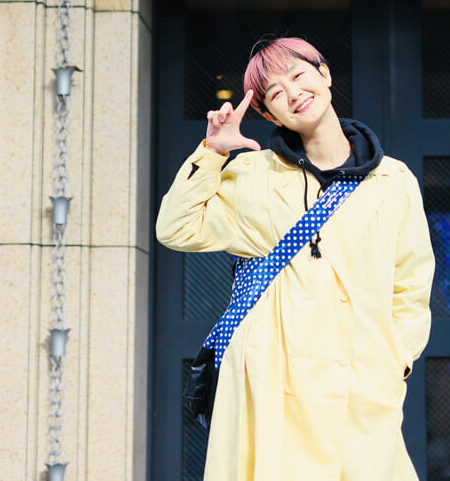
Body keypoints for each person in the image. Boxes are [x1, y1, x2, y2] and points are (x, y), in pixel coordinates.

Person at [156, 36, 435, 479]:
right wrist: (213, 152)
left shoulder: (392, 179)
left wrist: (394, 362)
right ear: (269, 114)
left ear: (324, 74)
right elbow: (176, 227)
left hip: (360, 384)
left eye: (298, 74)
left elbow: (412, 284)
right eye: (275, 93)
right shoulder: (252, 173)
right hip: (272, 384)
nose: (293, 93)